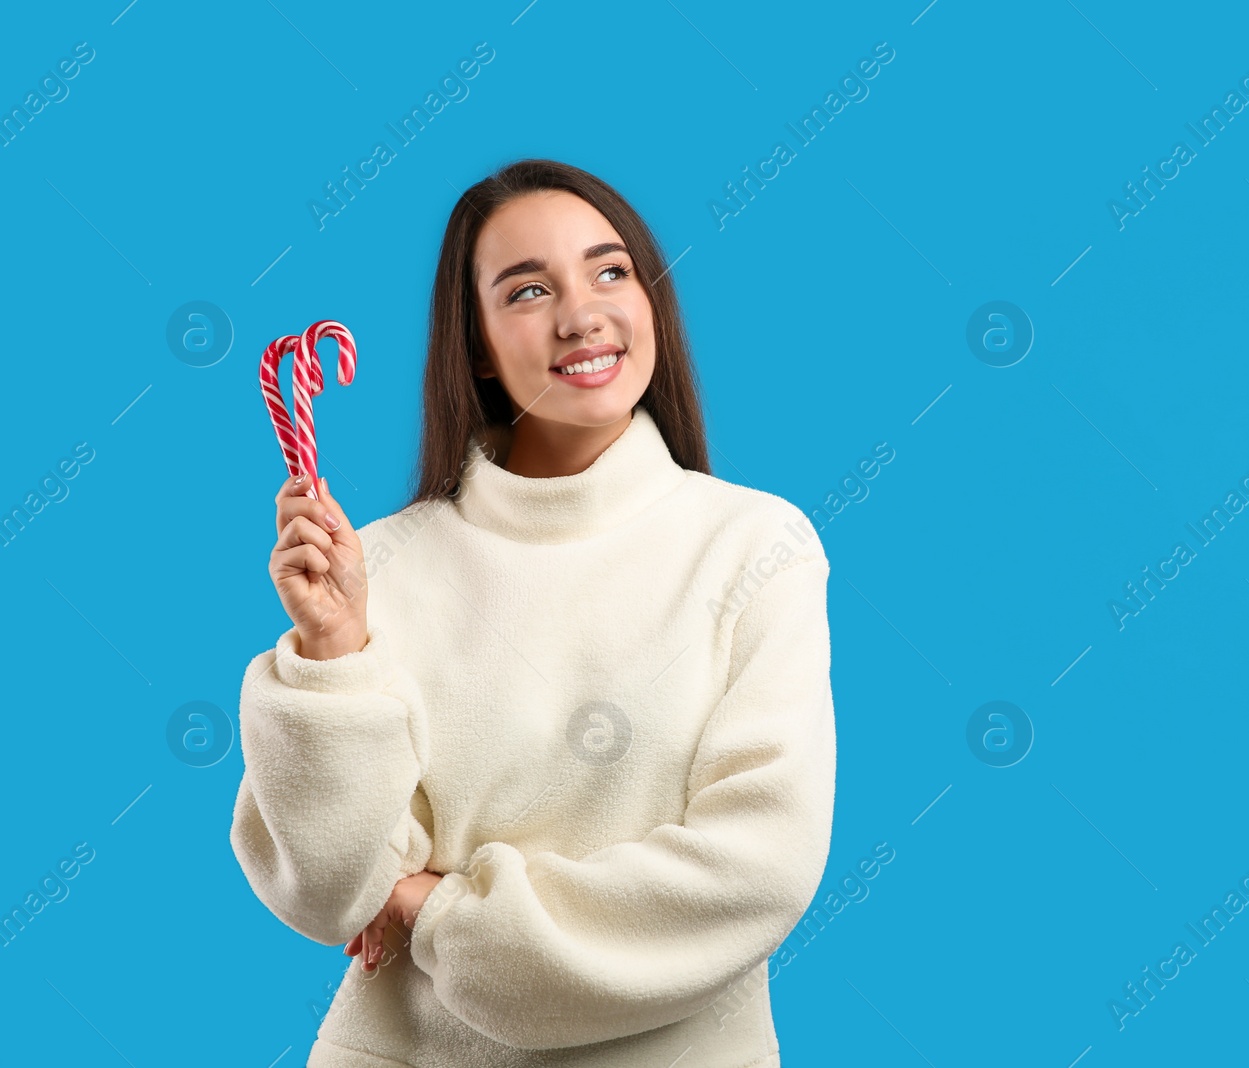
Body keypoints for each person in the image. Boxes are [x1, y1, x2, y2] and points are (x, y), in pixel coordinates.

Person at [229, 159, 835, 1067]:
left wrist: (437, 910)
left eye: (609, 271)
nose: (582, 313)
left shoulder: (757, 548)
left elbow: (756, 866)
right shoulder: (381, 564)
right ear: (473, 343)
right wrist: (333, 651)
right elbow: (330, 892)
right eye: (527, 290)